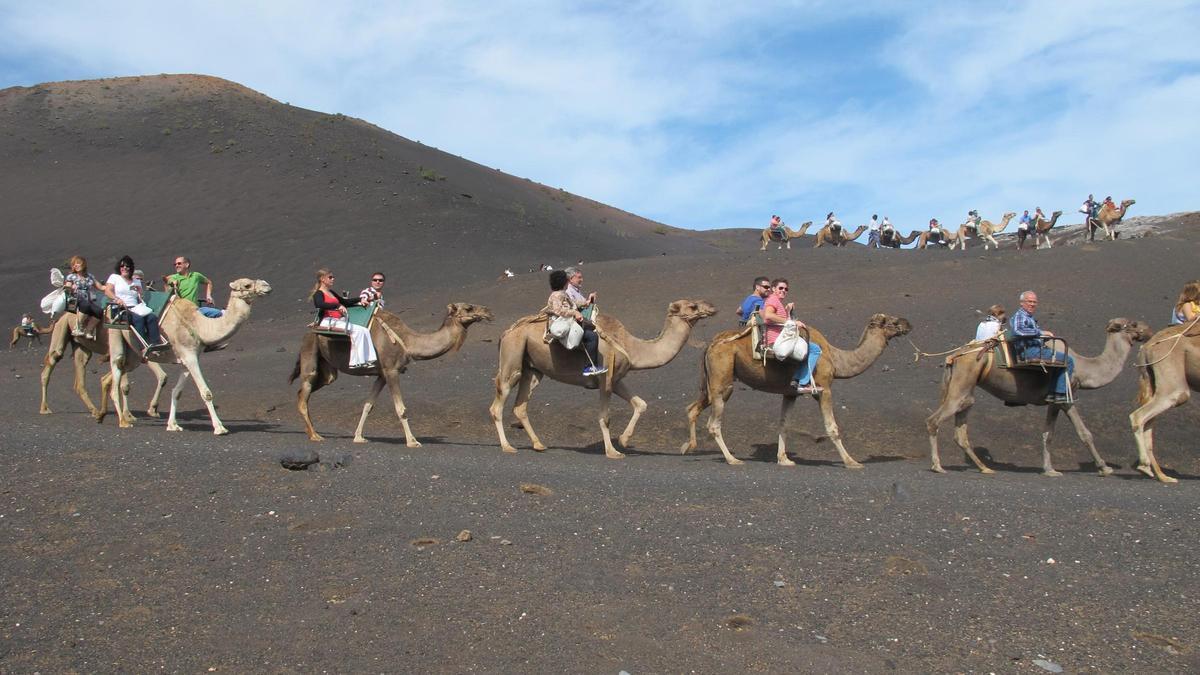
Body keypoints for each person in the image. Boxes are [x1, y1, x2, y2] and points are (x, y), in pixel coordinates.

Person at [1010, 291, 1074, 403]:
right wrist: (1040, 333)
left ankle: (1051, 393)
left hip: (1034, 349)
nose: (1032, 304)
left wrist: (1042, 337)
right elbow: (1018, 331)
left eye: (1034, 302)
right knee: (1068, 360)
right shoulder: (1020, 316)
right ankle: (1059, 394)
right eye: (1029, 301)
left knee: (1058, 360)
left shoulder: (1029, 317)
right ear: (1022, 303)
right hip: (1030, 351)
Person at [761, 278, 824, 394]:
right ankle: (802, 383)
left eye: (786, 289)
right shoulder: (773, 300)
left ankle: (796, 380)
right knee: (815, 349)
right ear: (773, 289)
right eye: (780, 288)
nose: (783, 290)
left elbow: (780, 321)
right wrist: (793, 322)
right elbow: (768, 316)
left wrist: (787, 311)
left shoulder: (776, 302)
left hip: (782, 338)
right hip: (778, 340)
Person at [311, 269, 376, 369]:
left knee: (364, 330)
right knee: (357, 331)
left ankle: (369, 359)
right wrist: (337, 306)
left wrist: (360, 299)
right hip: (329, 321)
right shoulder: (318, 293)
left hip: (338, 321)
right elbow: (319, 304)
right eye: (330, 277)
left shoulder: (331, 292)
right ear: (322, 279)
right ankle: (355, 362)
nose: (333, 279)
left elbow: (345, 302)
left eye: (333, 277)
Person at [546, 269, 606, 376]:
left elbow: (573, 303)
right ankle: (590, 367)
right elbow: (558, 310)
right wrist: (574, 313)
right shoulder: (556, 295)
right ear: (564, 282)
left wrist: (586, 303)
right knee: (592, 337)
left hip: (568, 320)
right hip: (562, 324)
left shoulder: (561, 294)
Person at [105, 255, 168, 355]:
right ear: (119, 268)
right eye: (122, 266)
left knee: (151, 317)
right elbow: (108, 290)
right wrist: (117, 299)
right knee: (138, 319)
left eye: (127, 266)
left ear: (131, 268)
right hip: (121, 308)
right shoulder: (115, 277)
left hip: (136, 308)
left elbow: (140, 298)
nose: (125, 268)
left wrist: (140, 292)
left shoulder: (136, 281)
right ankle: (142, 346)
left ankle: (156, 345)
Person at [63, 255, 105, 338]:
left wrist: (112, 286)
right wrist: (71, 288)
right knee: (85, 305)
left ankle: (88, 330)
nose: (76, 265)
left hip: (88, 300)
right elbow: (67, 288)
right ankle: (77, 328)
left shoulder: (89, 277)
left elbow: (101, 287)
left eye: (78, 263)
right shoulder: (71, 276)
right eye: (74, 264)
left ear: (84, 264)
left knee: (99, 311)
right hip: (75, 300)